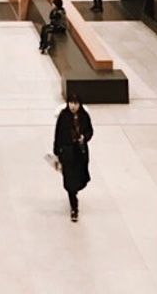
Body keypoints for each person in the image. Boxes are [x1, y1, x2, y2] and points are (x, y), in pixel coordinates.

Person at [53, 93, 94, 221]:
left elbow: (89, 131)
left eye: (75, 103)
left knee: (79, 177)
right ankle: (74, 207)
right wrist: (57, 151)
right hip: (67, 153)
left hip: (80, 153)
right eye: (71, 103)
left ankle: (74, 191)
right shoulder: (63, 117)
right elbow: (58, 134)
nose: (73, 106)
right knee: (70, 180)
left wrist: (84, 137)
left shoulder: (84, 116)